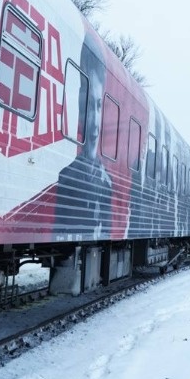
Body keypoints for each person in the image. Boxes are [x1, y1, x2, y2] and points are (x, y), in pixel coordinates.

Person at [56, 36, 112, 239]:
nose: (94, 120)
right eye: (89, 104)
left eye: (98, 106)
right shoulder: (65, 177)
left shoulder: (107, 185)